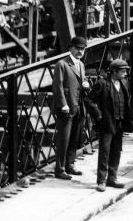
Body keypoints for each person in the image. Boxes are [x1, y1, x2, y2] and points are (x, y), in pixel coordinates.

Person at [86, 59, 133, 192]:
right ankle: (101, 181)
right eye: (123, 71)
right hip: (107, 123)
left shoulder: (124, 83)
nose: (125, 73)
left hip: (120, 122)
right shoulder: (103, 83)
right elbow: (89, 100)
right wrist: (98, 115)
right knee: (105, 151)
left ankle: (112, 178)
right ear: (114, 71)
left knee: (116, 150)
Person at [51, 36, 90, 180]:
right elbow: (57, 86)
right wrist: (63, 104)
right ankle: (60, 169)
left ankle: (70, 165)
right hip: (67, 107)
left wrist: (86, 84)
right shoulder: (62, 64)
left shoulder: (81, 65)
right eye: (78, 48)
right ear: (70, 49)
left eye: (83, 49)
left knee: (74, 137)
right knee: (64, 139)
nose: (80, 51)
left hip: (79, 105)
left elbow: (80, 82)